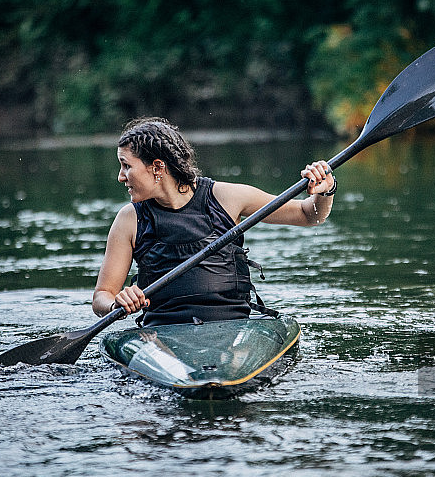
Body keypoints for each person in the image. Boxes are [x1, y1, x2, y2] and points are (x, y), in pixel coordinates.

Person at [92, 117, 335, 326]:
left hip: (233, 329)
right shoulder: (129, 219)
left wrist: (326, 189)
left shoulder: (226, 197)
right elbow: (102, 295)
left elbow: (308, 215)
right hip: (162, 334)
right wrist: (116, 303)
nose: (121, 177)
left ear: (157, 167)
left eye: (126, 166)